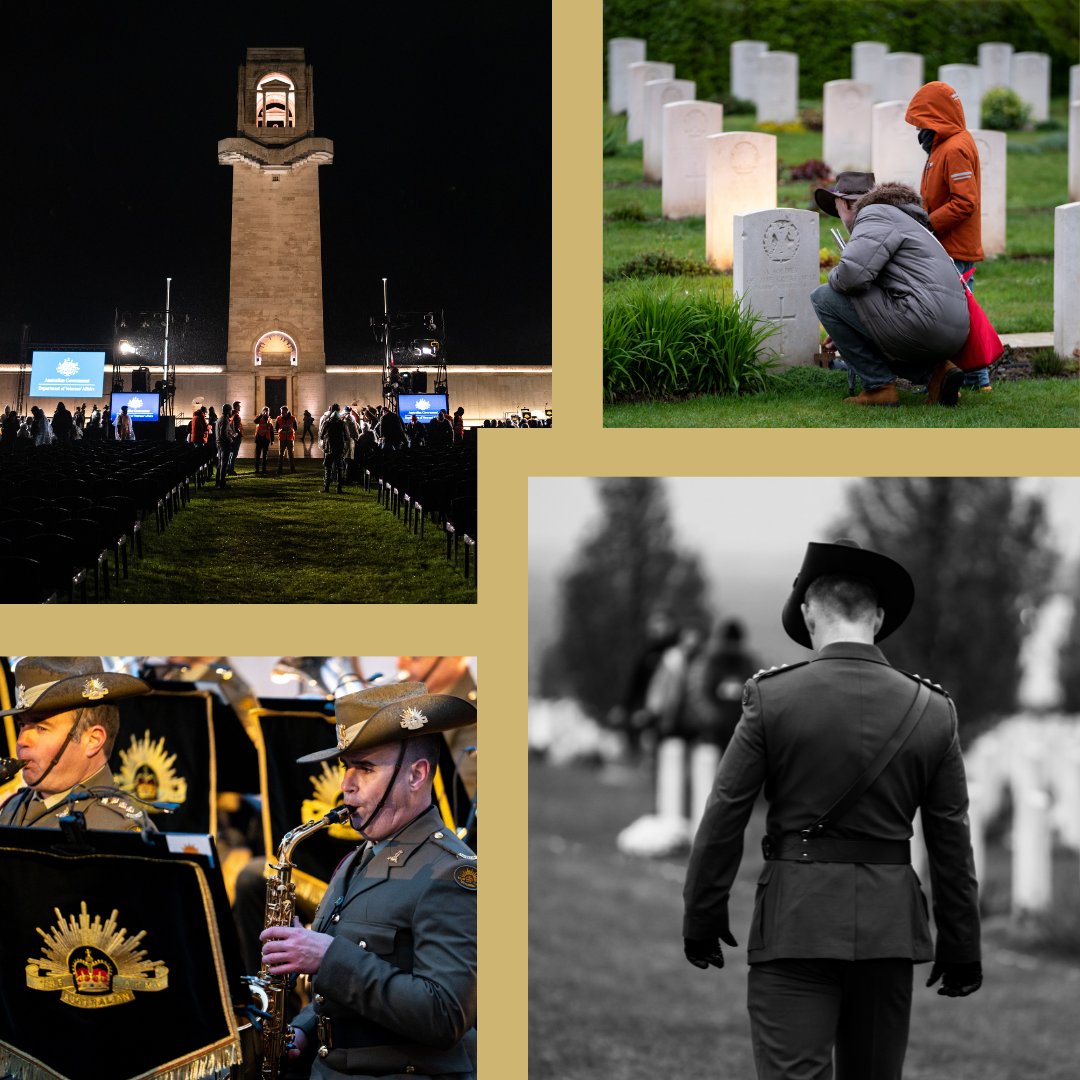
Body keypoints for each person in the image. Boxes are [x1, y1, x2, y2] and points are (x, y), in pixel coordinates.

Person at [683, 538, 981, 1080]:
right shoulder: (934, 710)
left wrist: (703, 912)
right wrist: (962, 943)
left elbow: (725, 813)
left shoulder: (772, 696)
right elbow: (949, 840)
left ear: (807, 613)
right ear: (880, 616)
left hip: (796, 922)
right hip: (889, 932)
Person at [258, 682, 477, 1079]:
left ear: (417, 774)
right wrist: (306, 1030)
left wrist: (327, 957)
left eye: (366, 768)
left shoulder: (451, 874)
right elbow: (346, 990)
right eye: (347, 767)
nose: (346, 785)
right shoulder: (355, 860)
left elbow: (445, 1016)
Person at [811, 173, 969, 407]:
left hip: (922, 322)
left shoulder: (873, 216)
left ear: (845, 203)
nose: (840, 219)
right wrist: (849, 324)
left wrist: (835, 273)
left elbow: (850, 278)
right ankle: (938, 375)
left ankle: (878, 387)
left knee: (823, 297)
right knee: (873, 324)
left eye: (837, 210)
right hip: (954, 329)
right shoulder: (904, 218)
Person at [0, 656, 154, 830]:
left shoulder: (121, 829)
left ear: (93, 740)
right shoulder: (12, 808)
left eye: (41, 728)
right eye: (22, 725)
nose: (22, 741)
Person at [906, 80, 991, 393]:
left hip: (955, 246)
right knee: (959, 313)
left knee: (955, 315)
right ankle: (974, 378)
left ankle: (976, 378)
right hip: (947, 243)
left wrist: (929, 223)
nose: (919, 129)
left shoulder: (954, 148)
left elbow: (965, 202)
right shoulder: (944, 144)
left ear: (938, 117)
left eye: (923, 121)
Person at [319, 403, 347, 493]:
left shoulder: (327, 422)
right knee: (339, 468)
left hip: (329, 448)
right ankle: (339, 488)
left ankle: (326, 487)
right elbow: (347, 436)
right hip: (339, 448)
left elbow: (321, 435)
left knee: (328, 467)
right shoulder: (342, 423)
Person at [215, 403, 234, 488]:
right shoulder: (225, 420)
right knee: (224, 464)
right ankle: (222, 483)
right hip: (224, 445)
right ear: (228, 411)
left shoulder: (220, 419)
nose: (231, 412)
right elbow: (223, 433)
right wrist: (230, 439)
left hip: (219, 444)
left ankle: (218, 482)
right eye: (230, 410)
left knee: (220, 463)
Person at [275, 404, 297, 473]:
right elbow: (276, 428)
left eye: (283, 412)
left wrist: (290, 430)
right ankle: (279, 469)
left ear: (287, 411)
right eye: (281, 412)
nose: (282, 413)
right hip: (282, 438)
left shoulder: (293, 418)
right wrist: (281, 430)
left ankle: (292, 469)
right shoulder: (278, 418)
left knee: (290, 454)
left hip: (290, 438)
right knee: (281, 454)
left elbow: (295, 428)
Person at [254, 406, 275, 474]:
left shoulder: (269, 420)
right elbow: (255, 421)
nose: (266, 412)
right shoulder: (259, 417)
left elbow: (271, 431)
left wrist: (272, 440)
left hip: (266, 439)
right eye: (264, 411)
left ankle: (264, 469)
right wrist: (261, 415)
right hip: (259, 438)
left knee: (265, 455)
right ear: (262, 411)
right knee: (258, 455)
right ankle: (257, 469)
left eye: (267, 411)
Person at [227, 400, 243, 474]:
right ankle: (231, 469)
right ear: (236, 407)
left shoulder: (232, 415)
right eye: (239, 406)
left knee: (231, 453)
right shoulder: (236, 416)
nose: (240, 407)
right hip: (236, 437)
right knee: (234, 454)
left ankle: (229, 468)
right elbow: (236, 427)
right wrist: (238, 434)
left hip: (233, 436)